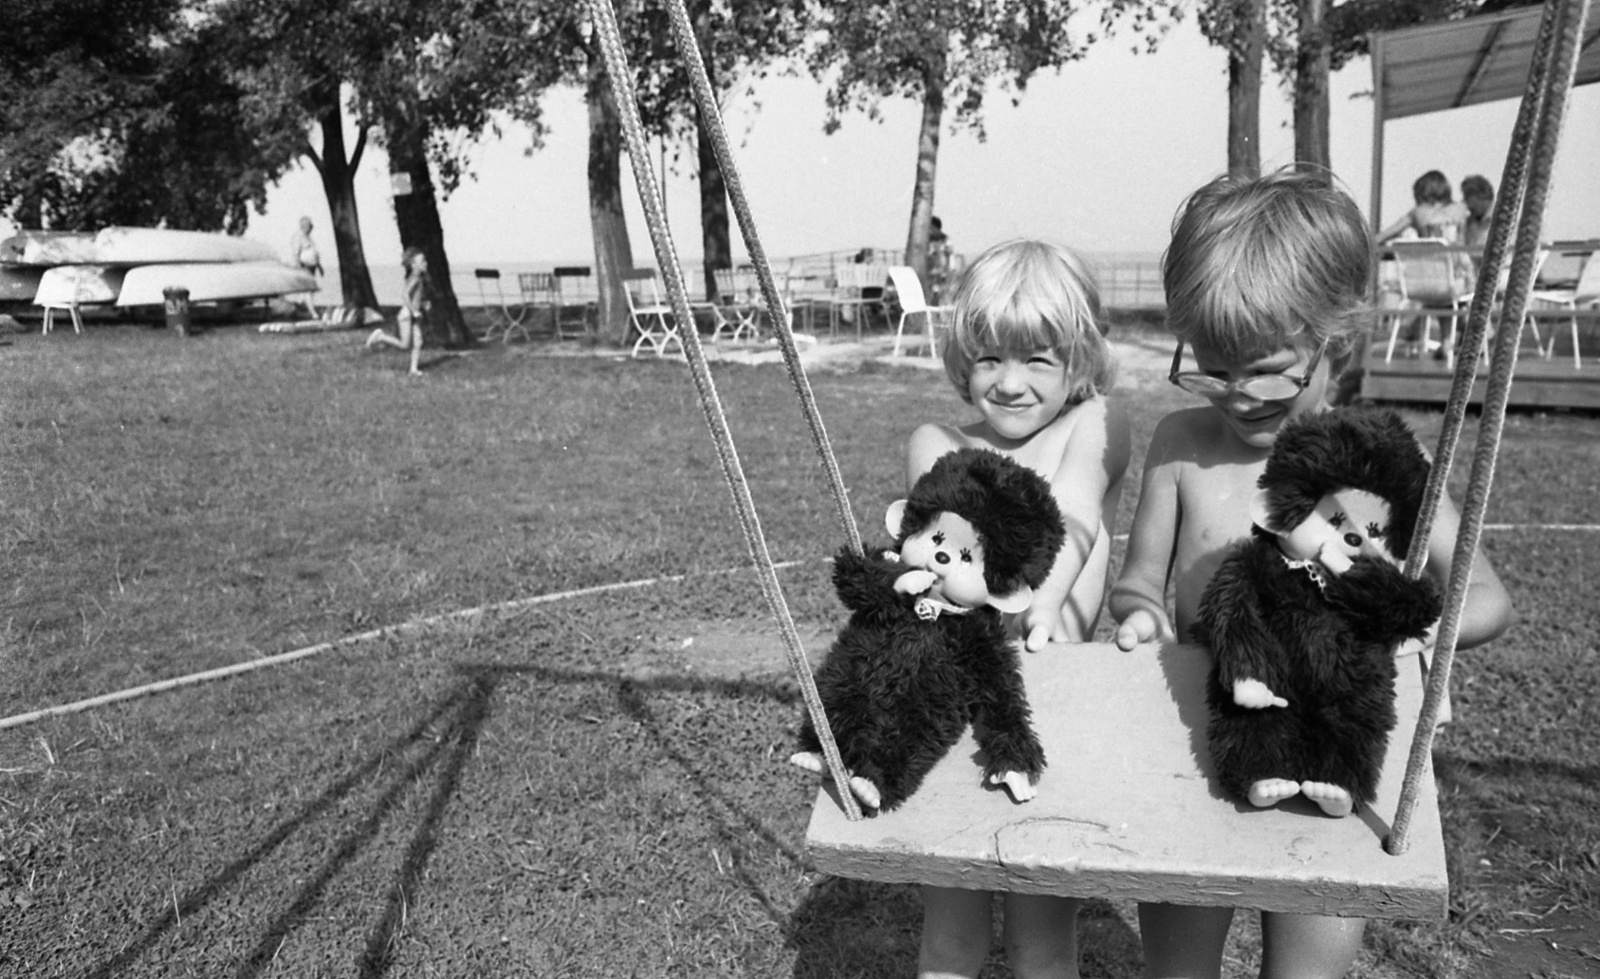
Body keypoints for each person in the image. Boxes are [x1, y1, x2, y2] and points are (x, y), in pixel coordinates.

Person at [1109, 168, 1514, 979]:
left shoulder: (1383, 460)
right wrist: (1141, 615)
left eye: (1265, 366)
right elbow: (1139, 581)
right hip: (1202, 743)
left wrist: (1410, 624)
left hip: (1338, 755)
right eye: (1213, 365)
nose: (1237, 392)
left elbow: (1490, 598)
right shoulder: (1182, 445)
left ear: (1340, 341)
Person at [908, 238, 1130, 979]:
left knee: (1042, 939)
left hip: (1053, 708)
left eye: (1038, 359)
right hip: (956, 705)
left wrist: (1039, 603)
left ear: (1080, 362)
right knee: (952, 931)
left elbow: (1071, 513)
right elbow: (945, 534)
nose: (1009, 382)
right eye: (990, 358)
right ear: (962, 360)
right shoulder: (936, 441)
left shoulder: (1095, 423)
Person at [366, 247, 427, 376]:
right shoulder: (415, 278)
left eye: (425, 261)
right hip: (407, 314)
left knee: (418, 341)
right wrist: (413, 311)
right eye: (422, 261)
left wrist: (423, 304)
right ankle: (380, 336)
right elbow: (405, 295)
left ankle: (413, 369)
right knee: (405, 345)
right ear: (413, 264)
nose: (425, 263)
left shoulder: (418, 277)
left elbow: (415, 297)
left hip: (415, 314)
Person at [1378, 170, 1469, 245]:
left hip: (1430, 262)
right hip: (1461, 264)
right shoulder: (1462, 210)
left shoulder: (1418, 212)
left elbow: (1387, 235)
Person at [288, 216, 324, 317]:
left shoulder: (308, 238)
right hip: (304, 267)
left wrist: (319, 266)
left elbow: (314, 253)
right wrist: (299, 266)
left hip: (312, 267)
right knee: (307, 290)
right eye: (309, 226)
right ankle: (313, 313)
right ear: (303, 226)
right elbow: (296, 254)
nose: (311, 228)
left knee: (307, 292)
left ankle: (298, 309)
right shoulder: (298, 237)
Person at [1461, 174, 1495, 252]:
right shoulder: (1469, 222)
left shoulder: (1501, 219)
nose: (1467, 205)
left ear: (1481, 196)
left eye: (1468, 198)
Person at [928, 216, 954, 303]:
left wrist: (948, 272)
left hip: (942, 274)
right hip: (930, 274)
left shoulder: (945, 241)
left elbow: (950, 257)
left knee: (940, 296)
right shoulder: (927, 241)